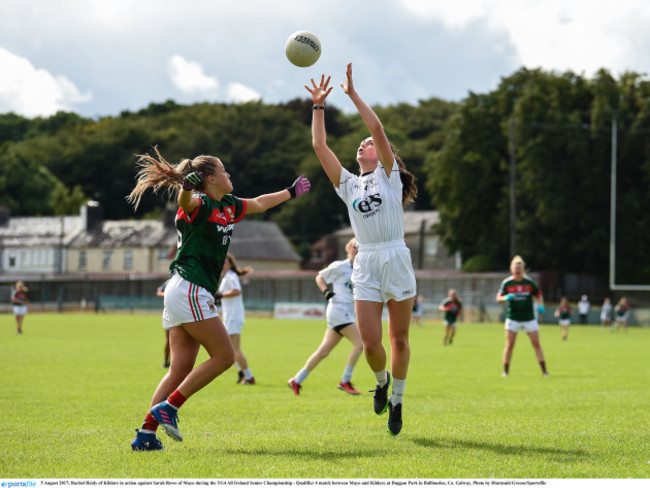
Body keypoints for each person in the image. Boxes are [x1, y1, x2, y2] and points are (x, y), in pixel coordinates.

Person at [126, 146, 311, 451]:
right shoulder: (198, 201)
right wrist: (186, 187)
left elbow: (261, 203)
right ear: (210, 178)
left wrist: (290, 192)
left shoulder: (227, 204)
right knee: (225, 357)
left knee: (179, 369)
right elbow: (185, 201)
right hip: (190, 288)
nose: (229, 175)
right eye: (224, 171)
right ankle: (169, 408)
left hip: (181, 289)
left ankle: (146, 434)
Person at [305, 64, 418, 436]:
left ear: (383, 156)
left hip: (395, 257)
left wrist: (352, 95)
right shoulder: (348, 185)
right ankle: (382, 380)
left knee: (399, 339)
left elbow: (377, 129)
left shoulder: (389, 176)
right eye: (361, 145)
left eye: (366, 145)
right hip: (366, 261)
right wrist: (318, 107)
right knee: (371, 343)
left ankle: (398, 400)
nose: (363, 144)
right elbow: (320, 146)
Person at [288, 237, 363, 396]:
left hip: (346, 312)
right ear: (348, 248)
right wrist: (325, 291)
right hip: (338, 309)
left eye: (360, 247)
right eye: (354, 246)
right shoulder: (339, 266)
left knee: (323, 352)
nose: (357, 249)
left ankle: (297, 379)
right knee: (360, 345)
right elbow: (319, 276)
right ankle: (345, 380)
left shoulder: (361, 269)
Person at [496, 255, 549, 377]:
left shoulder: (529, 282)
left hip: (529, 317)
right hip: (513, 317)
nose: (518, 270)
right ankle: (505, 371)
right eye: (515, 268)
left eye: (520, 268)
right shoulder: (507, 283)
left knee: (536, 344)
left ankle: (544, 371)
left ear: (523, 269)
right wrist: (506, 297)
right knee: (509, 345)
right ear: (512, 269)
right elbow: (498, 298)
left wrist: (541, 305)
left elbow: (538, 294)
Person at [217, 253, 255, 385]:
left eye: (224, 262)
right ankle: (242, 371)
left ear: (230, 264)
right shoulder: (226, 277)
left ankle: (249, 377)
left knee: (234, 350)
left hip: (234, 317)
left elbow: (237, 290)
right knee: (227, 350)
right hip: (229, 317)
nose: (222, 265)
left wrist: (221, 294)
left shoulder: (231, 276)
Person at [156, 279, 171, 368]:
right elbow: (159, 292)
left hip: (177, 313)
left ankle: (173, 363)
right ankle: (166, 362)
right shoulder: (170, 281)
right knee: (169, 340)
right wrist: (168, 294)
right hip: (169, 313)